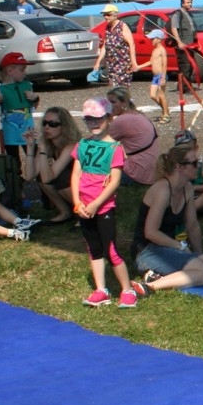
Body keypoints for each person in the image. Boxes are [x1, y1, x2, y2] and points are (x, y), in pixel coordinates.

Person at [128, 146, 203, 296]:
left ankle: (159, 277)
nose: (199, 166)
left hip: (168, 249)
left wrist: (198, 254)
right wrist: (180, 246)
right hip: (147, 251)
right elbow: (150, 232)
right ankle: (149, 286)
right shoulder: (162, 190)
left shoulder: (187, 188)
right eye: (194, 163)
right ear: (178, 167)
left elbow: (192, 225)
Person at [70, 97, 137, 308]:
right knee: (93, 248)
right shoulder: (82, 145)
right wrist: (77, 202)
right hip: (84, 208)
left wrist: (96, 204)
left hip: (103, 208)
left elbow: (115, 181)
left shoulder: (115, 148)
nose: (94, 123)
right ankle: (101, 290)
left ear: (109, 118)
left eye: (98, 118)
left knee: (111, 250)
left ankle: (127, 290)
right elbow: (75, 175)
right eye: (89, 119)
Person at [23, 106, 82, 224]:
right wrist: (30, 147)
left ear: (64, 127)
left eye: (53, 124)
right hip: (72, 187)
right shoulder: (48, 144)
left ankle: (83, 213)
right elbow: (29, 176)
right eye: (44, 123)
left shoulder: (72, 145)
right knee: (43, 176)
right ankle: (65, 212)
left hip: (87, 186)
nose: (47, 127)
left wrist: (42, 149)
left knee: (61, 178)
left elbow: (48, 177)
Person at [105, 87, 160, 187]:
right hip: (152, 171)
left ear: (124, 103)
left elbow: (101, 143)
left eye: (113, 102)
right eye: (107, 102)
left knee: (95, 169)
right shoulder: (139, 115)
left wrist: (108, 119)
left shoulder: (122, 121)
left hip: (137, 173)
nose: (108, 105)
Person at [0, 51, 38, 164]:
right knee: (13, 161)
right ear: (10, 71)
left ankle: (36, 174)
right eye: (22, 70)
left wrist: (35, 99)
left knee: (35, 158)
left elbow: (34, 107)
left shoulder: (28, 85)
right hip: (10, 133)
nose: (24, 73)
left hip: (28, 130)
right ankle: (16, 175)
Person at [171, 129, 203, 214]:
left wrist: (195, 188)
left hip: (197, 197)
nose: (185, 153)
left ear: (195, 148)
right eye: (181, 150)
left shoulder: (201, 163)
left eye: (188, 149)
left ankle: (184, 214)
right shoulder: (175, 165)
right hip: (181, 197)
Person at [95, 4, 138, 91]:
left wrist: (133, 62)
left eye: (108, 14)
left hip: (122, 63)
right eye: (104, 15)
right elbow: (105, 45)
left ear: (115, 15)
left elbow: (132, 44)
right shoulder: (108, 27)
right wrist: (98, 62)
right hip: (111, 64)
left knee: (121, 89)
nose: (106, 17)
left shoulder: (122, 26)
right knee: (114, 89)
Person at [168, 0, 199, 87]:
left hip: (190, 45)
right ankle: (184, 88)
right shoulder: (177, 14)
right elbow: (174, 28)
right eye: (188, 2)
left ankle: (186, 86)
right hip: (182, 45)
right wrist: (179, 42)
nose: (190, 4)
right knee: (185, 66)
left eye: (191, 2)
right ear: (182, 3)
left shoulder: (189, 14)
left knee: (190, 66)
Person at [145, 29, 171, 124]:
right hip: (155, 76)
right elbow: (151, 61)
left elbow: (165, 64)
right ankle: (165, 109)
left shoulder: (162, 50)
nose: (151, 40)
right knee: (152, 95)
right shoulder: (154, 50)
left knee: (161, 95)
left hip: (161, 75)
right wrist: (138, 67)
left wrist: (163, 77)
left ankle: (166, 115)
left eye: (153, 39)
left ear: (159, 39)